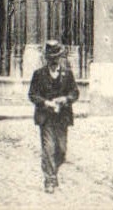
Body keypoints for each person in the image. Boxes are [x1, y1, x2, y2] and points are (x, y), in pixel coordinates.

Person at [27, 39, 79, 193]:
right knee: (49, 149)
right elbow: (32, 94)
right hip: (46, 118)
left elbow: (75, 92)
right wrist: (45, 103)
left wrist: (65, 99)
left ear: (60, 57)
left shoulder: (67, 74)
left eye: (56, 57)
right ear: (46, 58)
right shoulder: (39, 74)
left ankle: (53, 173)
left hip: (62, 117)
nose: (54, 60)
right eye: (51, 57)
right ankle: (49, 179)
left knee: (61, 151)